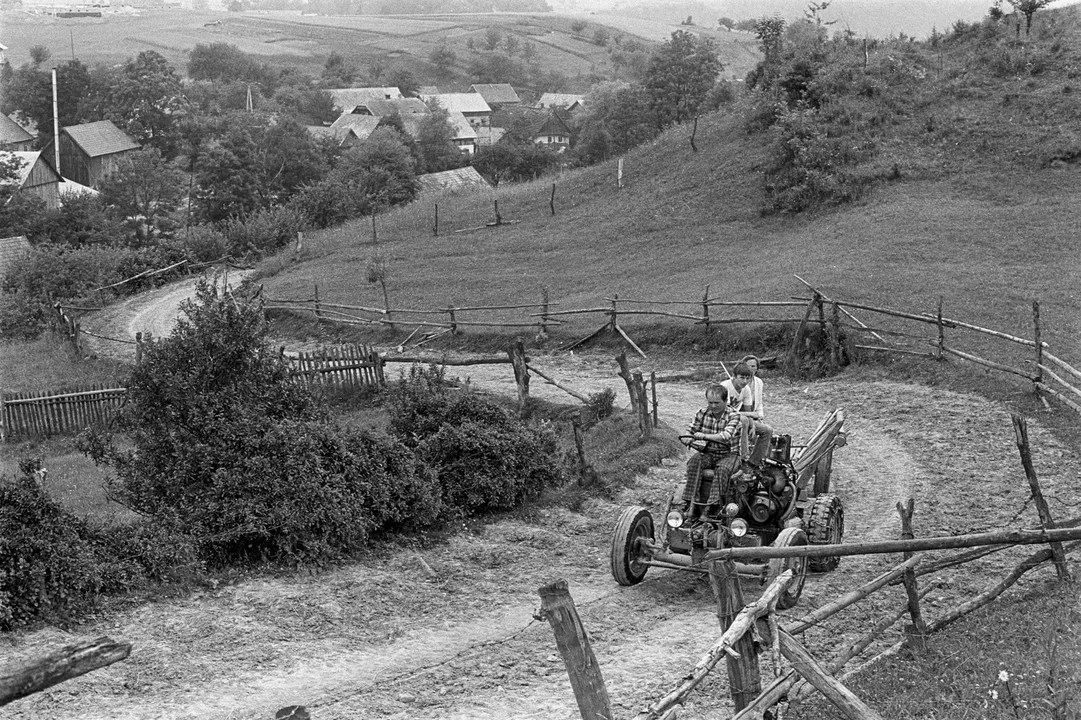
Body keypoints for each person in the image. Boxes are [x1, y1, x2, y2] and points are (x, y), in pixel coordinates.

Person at [681, 384, 743, 519]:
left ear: (726, 402)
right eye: (710, 403)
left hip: (730, 455)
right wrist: (687, 437)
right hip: (709, 452)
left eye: (717, 403)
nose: (713, 406)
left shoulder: (734, 415)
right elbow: (691, 428)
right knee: (694, 462)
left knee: (722, 469)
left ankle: (712, 508)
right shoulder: (702, 413)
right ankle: (690, 504)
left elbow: (726, 435)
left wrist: (704, 436)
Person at [721, 362, 774, 468]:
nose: (745, 381)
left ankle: (753, 463)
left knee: (767, 430)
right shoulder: (725, 387)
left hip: (738, 417)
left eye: (747, 378)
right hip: (724, 419)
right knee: (744, 420)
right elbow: (725, 411)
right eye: (742, 378)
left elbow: (748, 410)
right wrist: (749, 415)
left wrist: (753, 426)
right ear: (734, 376)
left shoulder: (746, 389)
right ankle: (743, 457)